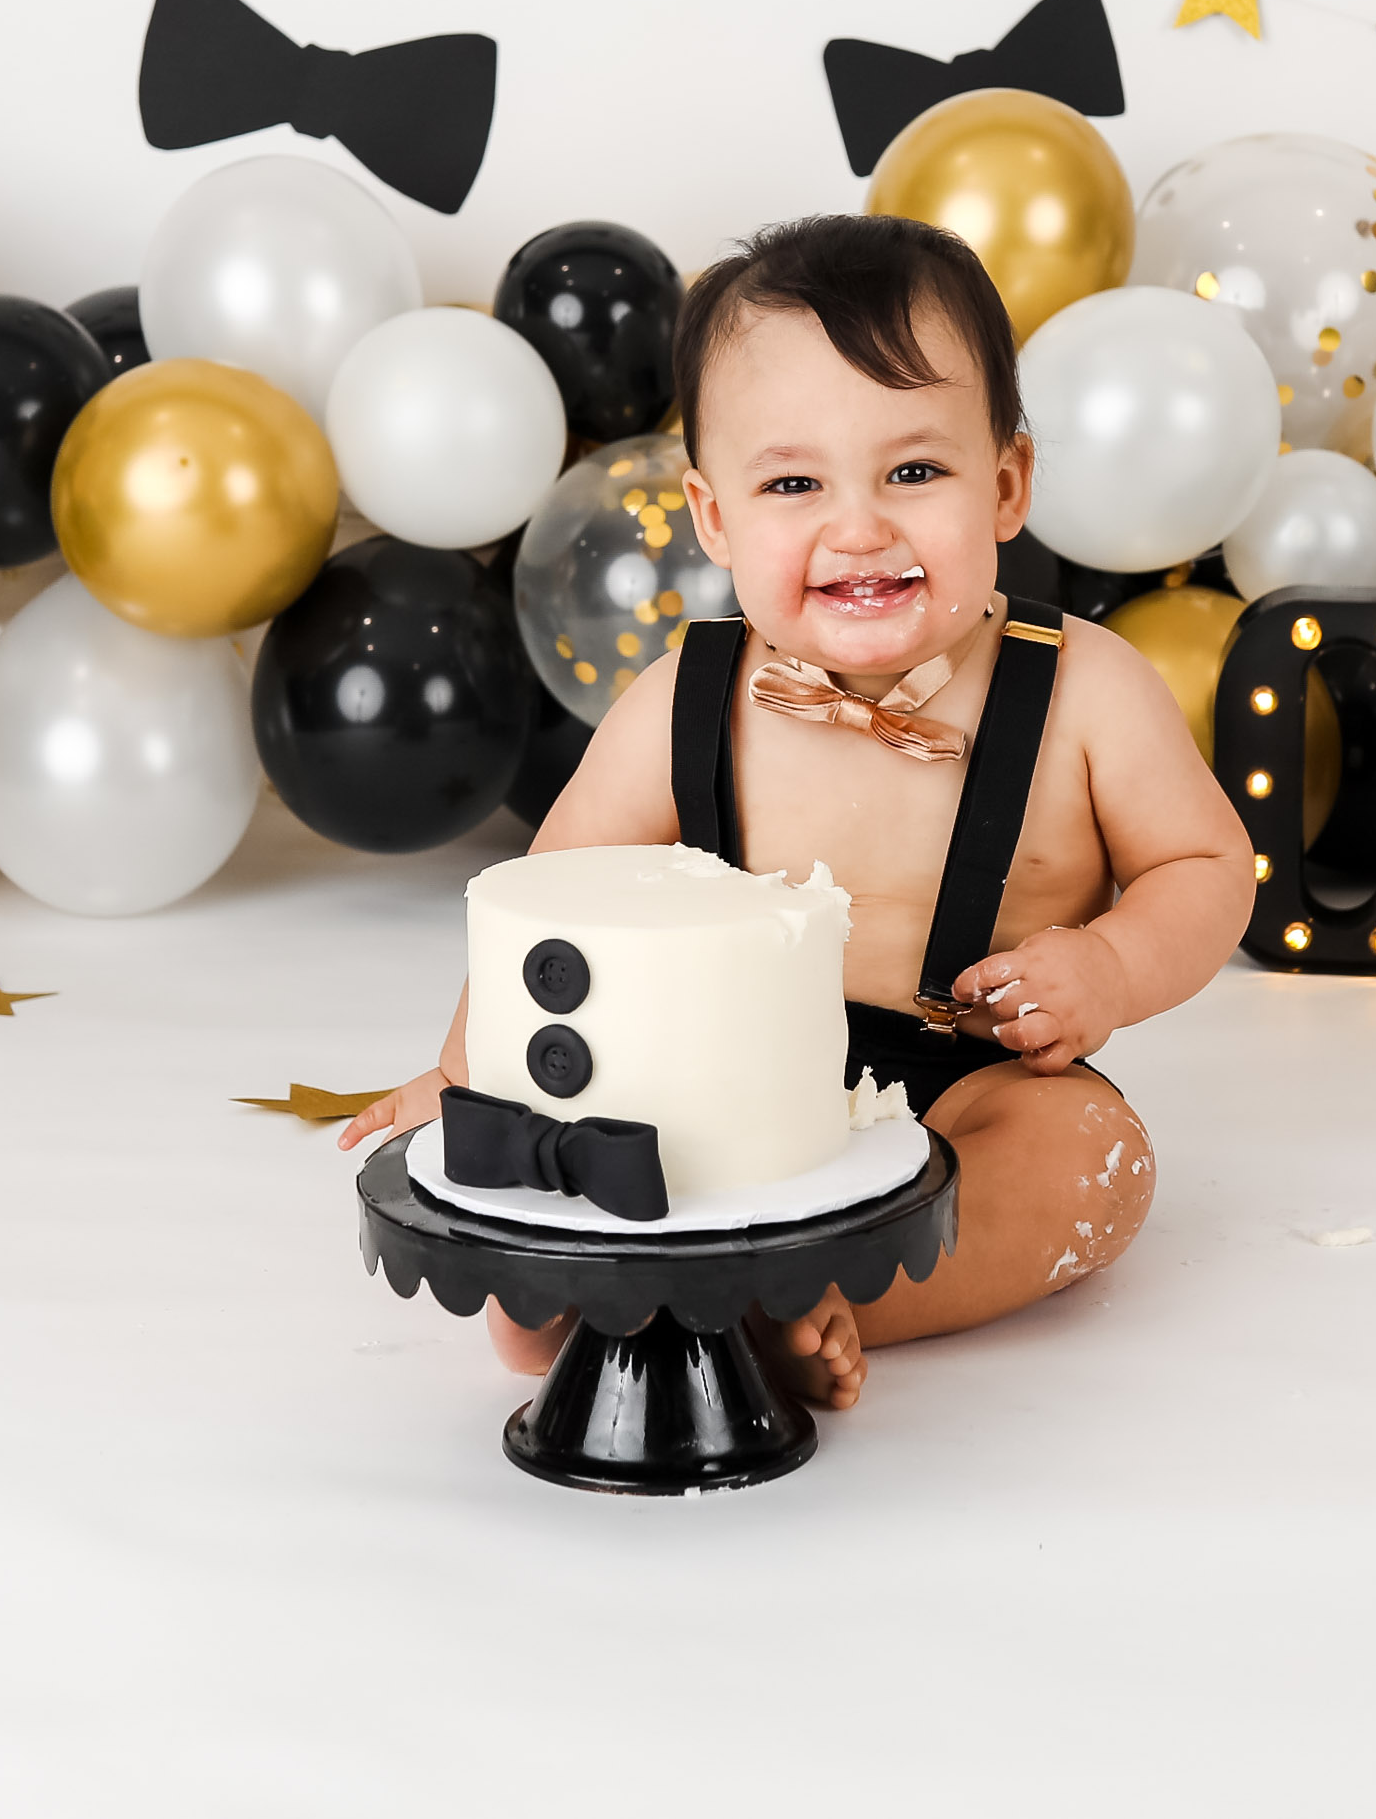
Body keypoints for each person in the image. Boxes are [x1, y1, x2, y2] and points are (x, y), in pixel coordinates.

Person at [342, 214, 1253, 1406]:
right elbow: (544, 908)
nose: (858, 527)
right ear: (714, 516)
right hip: (710, 1072)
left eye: (913, 472)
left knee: (1090, 1159)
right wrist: (470, 1077)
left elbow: (1205, 866)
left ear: (1007, 485)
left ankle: (829, 1303)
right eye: (792, 483)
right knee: (593, 1120)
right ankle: (587, 1285)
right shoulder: (687, 698)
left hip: (974, 1078)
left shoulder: (1087, 689)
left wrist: (1112, 967)